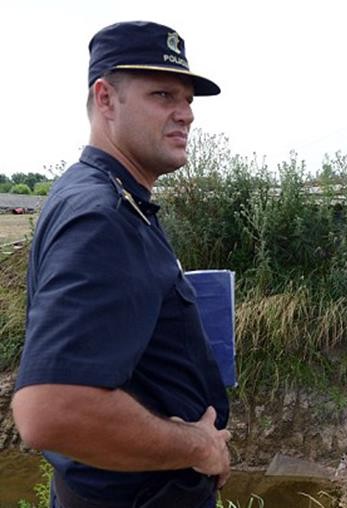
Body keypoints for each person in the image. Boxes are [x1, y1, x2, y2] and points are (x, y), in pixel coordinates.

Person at [11, 21, 231, 508]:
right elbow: (50, 411)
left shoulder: (113, 199)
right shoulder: (102, 217)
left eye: (189, 99)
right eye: (163, 95)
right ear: (106, 99)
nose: (186, 114)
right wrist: (200, 446)